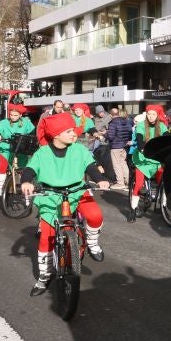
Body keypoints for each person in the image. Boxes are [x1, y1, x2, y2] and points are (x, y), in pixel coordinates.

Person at [20, 113, 109, 294]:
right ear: (56, 134)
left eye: (73, 130)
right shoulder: (43, 152)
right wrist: (26, 181)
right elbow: (30, 169)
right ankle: (45, 275)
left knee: (95, 215)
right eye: (68, 131)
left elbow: (90, 166)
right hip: (50, 195)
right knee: (46, 237)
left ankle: (92, 242)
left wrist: (100, 179)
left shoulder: (79, 150)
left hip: (77, 191)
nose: (73, 134)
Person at [127, 105, 167, 221]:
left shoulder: (162, 126)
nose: (151, 116)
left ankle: (162, 206)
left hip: (156, 158)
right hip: (143, 158)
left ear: (158, 115)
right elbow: (139, 138)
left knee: (163, 184)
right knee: (139, 184)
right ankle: (133, 210)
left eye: (153, 114)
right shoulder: (141, 125)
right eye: (149, 114)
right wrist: (141, 147)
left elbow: (166, 138)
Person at [0, 104, 36, 199]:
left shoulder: (26, 122)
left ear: (20, 115)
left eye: (15, 115)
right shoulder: (3, 122)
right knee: (2, 168)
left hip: (21, 149)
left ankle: (27, 194)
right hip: (5, 148)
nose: (13, 117)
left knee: (23, 170)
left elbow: (33, 133)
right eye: (11, 115)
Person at [105, 107, 132, 190]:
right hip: (124, 145)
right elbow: (129, 132)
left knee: (117, 165)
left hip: (116, 146)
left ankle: (120, 183)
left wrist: (104, 134)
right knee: (123, 163)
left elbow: (111, 136)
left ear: (110, 115)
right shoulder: (126, 121)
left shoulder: (113, 122)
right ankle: (128, 182)